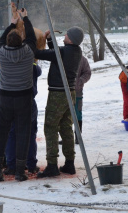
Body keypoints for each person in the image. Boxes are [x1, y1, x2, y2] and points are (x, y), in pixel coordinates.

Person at [0, 8, 36, 182]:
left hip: (6, 97)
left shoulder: (2, 53)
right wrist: (25, 18)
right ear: (22, 42)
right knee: (23, 132)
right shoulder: (28, 52)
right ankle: (19, 171)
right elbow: (32, 38)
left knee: (1, 132)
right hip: (24, 98)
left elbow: (1, 40)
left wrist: (12, 22)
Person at [35, 27, 83, 178]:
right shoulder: (76, 51)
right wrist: (49, 40)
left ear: (71, 39)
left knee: (50, 127)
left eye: (67, 34)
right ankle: (70, 162)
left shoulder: (63, 52)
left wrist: (31, 41)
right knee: (66, 126)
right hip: (70, 92)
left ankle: (52, 165)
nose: (65, 34)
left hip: (58, 94)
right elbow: (55, 54)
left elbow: (40, 54)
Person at [4, 61, 42, 175]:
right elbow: (38, 71)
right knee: (30, 134)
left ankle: (11, 165)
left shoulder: (7, 65)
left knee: (12, 134)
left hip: (12, 102)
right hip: (28, 102)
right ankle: (31, 164)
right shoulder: (32, 67)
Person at [59, 55, 91, 145]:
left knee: (77, 114)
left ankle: (78, 137)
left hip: (77, 91)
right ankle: (66, 137)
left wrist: (79, 81)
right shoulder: (64, 56)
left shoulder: (83, 59)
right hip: (63, 91)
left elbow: (87, 73)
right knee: (64, 114)